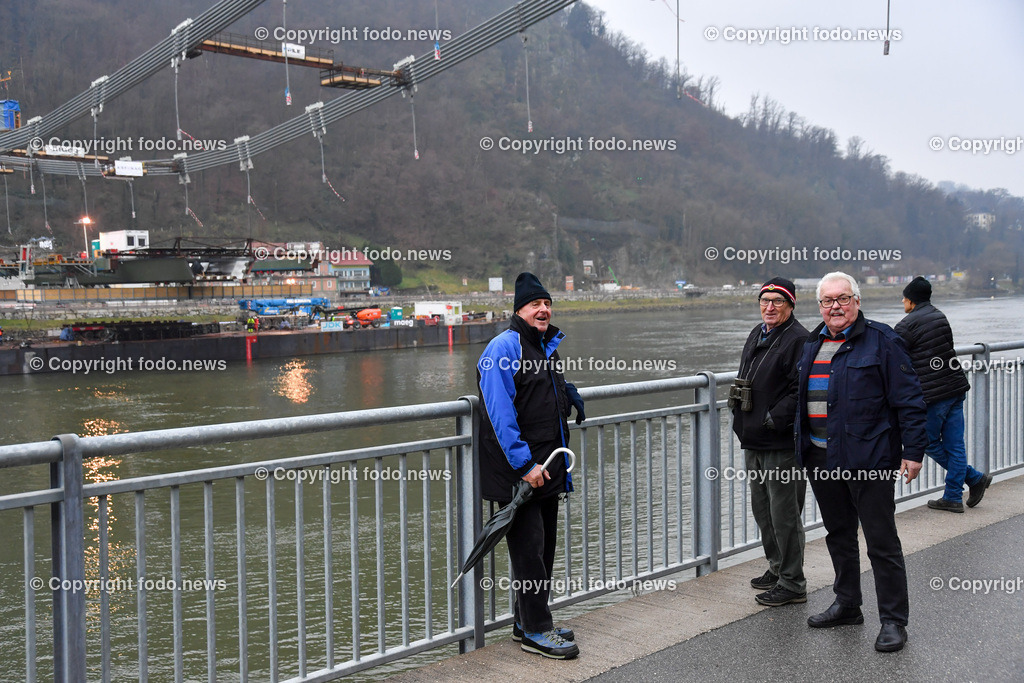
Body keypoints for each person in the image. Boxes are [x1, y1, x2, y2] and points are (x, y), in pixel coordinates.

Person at [795, 272, 927, 653]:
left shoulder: (884, 341)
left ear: (856, 300)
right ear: (819, 306)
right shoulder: (812, 342)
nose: (834, 307)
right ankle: (848, 603)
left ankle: (893, 621)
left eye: (842, 298)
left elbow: (910, 401)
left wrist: (913, 452)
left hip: (869, 457)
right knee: (838, 534)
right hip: (821, 457)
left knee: (881, 542)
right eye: (827, 301)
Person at [477, 272, 584, 660]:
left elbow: (539, 393)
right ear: (519, 309)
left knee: (544, 547)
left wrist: (568, 392)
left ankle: (527, 620)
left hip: (548, 466)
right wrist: (524, 464)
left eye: (547, 303)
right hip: (520, 471)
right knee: (528, 550)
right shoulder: (503, 347)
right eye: (535, 304)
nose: (544, 309)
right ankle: (538, 630)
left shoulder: (543, 346)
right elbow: (500, 414)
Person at [730, 277, 809, 607]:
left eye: (778, 301)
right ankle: (777, 568)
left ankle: (793, 582)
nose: (770, 307)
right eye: (765, 301)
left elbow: (800, 391)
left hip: (780, 443)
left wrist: (773, 418)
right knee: (763, 510)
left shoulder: (799, 339)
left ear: (791, 305)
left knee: (784, 513)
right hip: (754, 439)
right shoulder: (757, 333)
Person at [894, 276, 992, 512]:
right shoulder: (940, 316)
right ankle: (956, 493)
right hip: (955, 387)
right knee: (955, 446)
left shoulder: (906, 325)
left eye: (904, 298)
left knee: (926, 441)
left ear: (910, 300)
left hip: (933, 395)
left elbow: (895, 359)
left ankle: (971, 481)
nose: (903, 302)